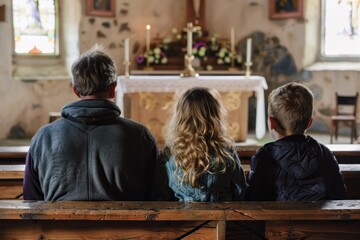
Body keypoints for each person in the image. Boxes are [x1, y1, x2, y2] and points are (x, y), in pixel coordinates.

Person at [23, 45, 158, 201]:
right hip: (125, 226)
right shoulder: (140, 136)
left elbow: (31, 199)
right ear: (113, 89)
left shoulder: (43, 137)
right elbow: (154, 192)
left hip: (58, 225)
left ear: (75, 90)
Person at [245, 82, 347, 201]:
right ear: (310, 122)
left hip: (276, 220)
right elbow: (340, 197)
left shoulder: (264, 156)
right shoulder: (324, 153)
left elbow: (252, 201)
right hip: (320, 220)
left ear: (272, 122)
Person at [153, 87, 247, 201]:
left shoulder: (169, 154)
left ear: (180, 117)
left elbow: (159, 195)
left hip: (180, 217)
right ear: (214, 115)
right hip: (222, 217)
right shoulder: (226, 152)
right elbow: (240, 191)